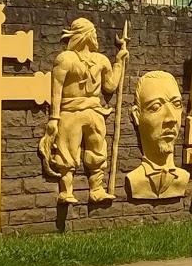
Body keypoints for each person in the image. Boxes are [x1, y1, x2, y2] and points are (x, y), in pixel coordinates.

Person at [39, 18, 128, 204]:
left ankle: (97, 190)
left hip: (95, 111)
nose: (96, 37)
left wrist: (118, 62)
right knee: (67, 153)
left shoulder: (101, 60)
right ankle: (66, 192)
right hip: (70, 111)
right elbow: (57, 90)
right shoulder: (65, 59)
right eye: (93, 33)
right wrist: (54, 118)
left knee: (97, 149)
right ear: (86, 35)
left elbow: (110, 86)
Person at [126, 71, 189, 199]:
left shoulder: (184, 177)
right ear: (137, 116)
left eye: (177, 104)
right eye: (156, 107)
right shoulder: (135, 180)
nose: (171, 118)